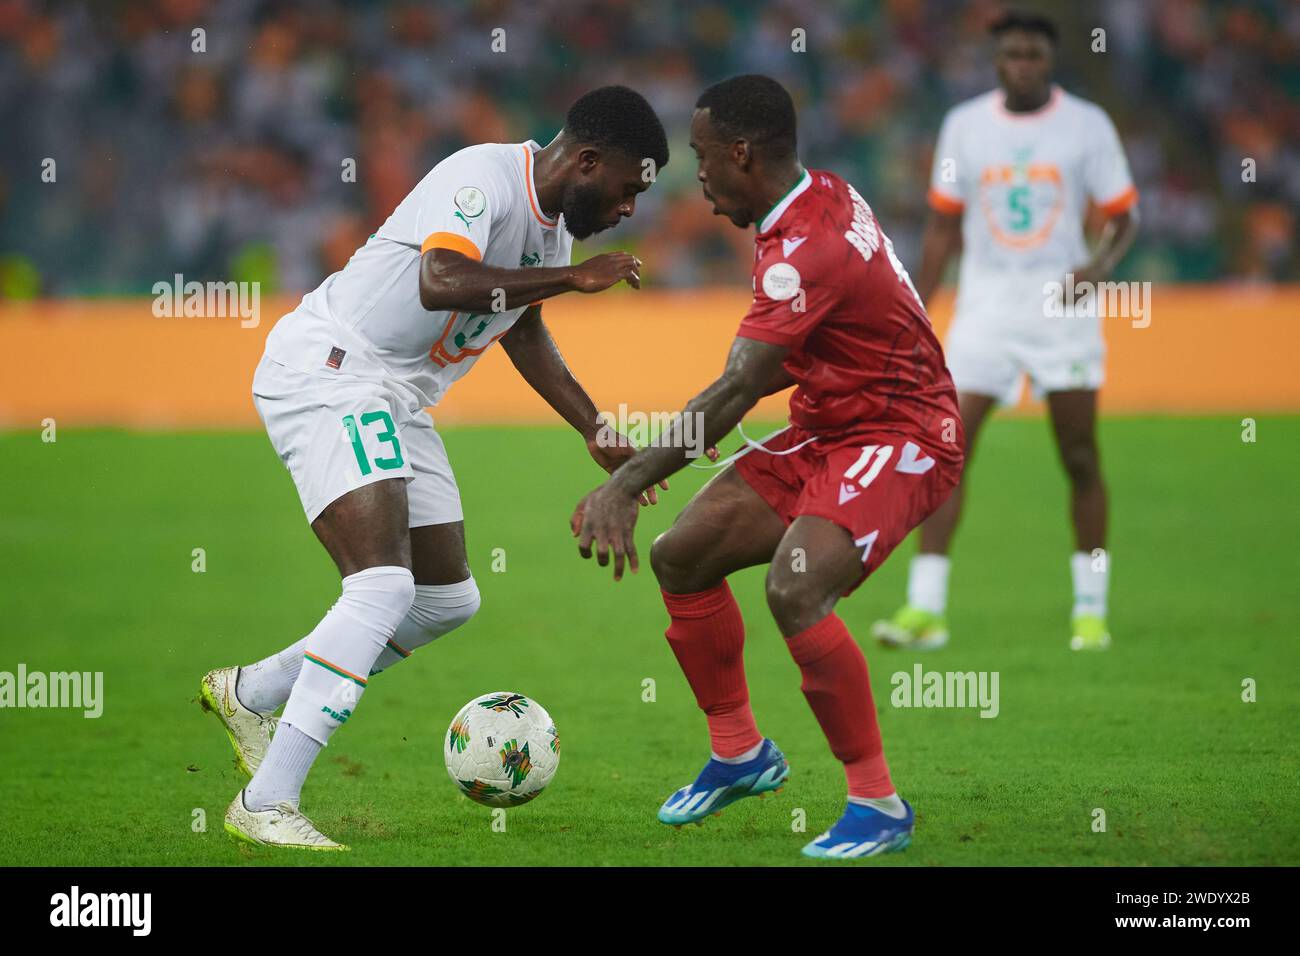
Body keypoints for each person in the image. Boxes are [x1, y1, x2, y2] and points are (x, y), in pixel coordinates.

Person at [199, 85, 670, 850]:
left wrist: (593, 426)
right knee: (382, 585)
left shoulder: (550, 237)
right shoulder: (480, 179)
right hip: (332, 370)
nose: (627, 211)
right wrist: (573, 279)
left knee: (445, 600)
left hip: (397, 398)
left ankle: (252, 693)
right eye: (625, 191)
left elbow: (520, 332)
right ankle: (266, 799)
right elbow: (440, 279)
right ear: (586, 161)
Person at [571, 75, 963, 860]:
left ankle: (877, 803)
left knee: (795, 586)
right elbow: (803, 349)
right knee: (681, 557)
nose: (697, 177)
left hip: (903, 429)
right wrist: (718, 409)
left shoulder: (804, 248)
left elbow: (743, 382)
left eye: (703, 157)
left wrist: (626, 480)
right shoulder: (817, 196)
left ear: (741, 153)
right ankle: (741, 755)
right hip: (829, 423)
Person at [873, 10, 1139, 653]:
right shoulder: (965, 126)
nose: (1023, 64)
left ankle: (1090, 610)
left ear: (1050, 60)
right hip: (986, 310)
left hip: (1062, 312)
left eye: (1034, 55)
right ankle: (925, 610)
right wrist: (917, 309)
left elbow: (1125, 217)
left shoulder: (1087, 125)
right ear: (997, 62)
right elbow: (942, 227)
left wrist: (1098, 269)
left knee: (1079, 457)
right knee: (949, 451)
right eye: (1012, 55)